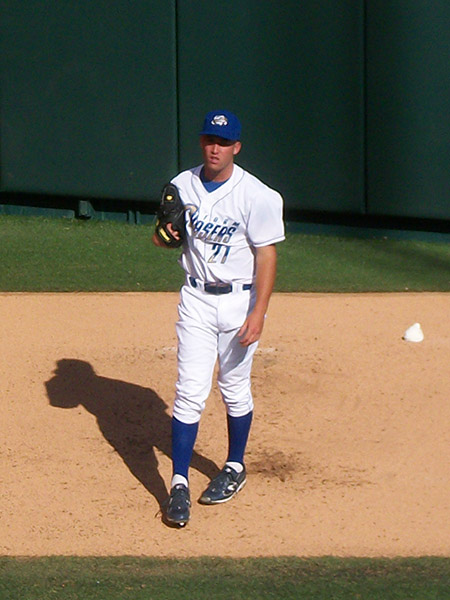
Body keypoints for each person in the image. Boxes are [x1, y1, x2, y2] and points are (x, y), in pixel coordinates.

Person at [152, 109, 285, 526]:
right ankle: (178, 485)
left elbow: (267, 254)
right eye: (210, 139)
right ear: (202, 141)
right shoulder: (182, 184)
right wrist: (162, 236)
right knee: (189, 391)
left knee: (233, 387)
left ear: (237, 147)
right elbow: (162, 239)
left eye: (224, 142)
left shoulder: (258, 195)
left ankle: (234, 466)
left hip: (238, 303)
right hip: (194, 298)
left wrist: (259, 312)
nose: (215, 148)